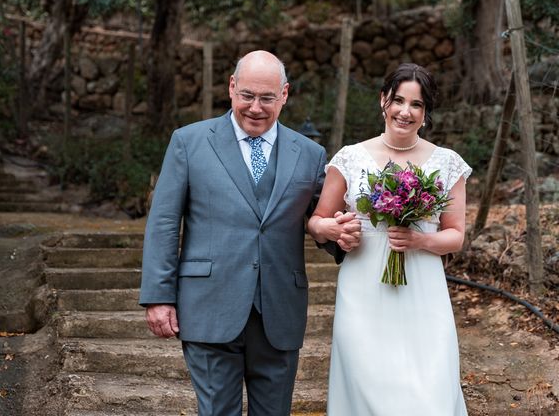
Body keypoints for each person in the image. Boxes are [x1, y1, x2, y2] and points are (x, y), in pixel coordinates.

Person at [139, 50, 361, 416]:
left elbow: (323, 220)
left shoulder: (310, 153)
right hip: (208, 306)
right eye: (247, 96)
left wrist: (339, 233)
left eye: (267, 98)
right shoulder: (189, 142)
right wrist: (158, 296)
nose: (256, 107)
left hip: (279, 309)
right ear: (231, 88)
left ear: (285, 95)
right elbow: (164, 221)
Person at [308, 63, 470, 415]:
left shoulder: (447, 163)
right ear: (383, 101)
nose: (405, 111)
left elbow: (455, 236)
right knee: (368, 389)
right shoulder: (350, 158)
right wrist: (335, 230)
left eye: (416, 104)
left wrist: (420, 241)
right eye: (398, 100)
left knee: (430, 393)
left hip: (423, 294)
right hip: (364, 291)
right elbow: (317, 222)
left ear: (425, 113)